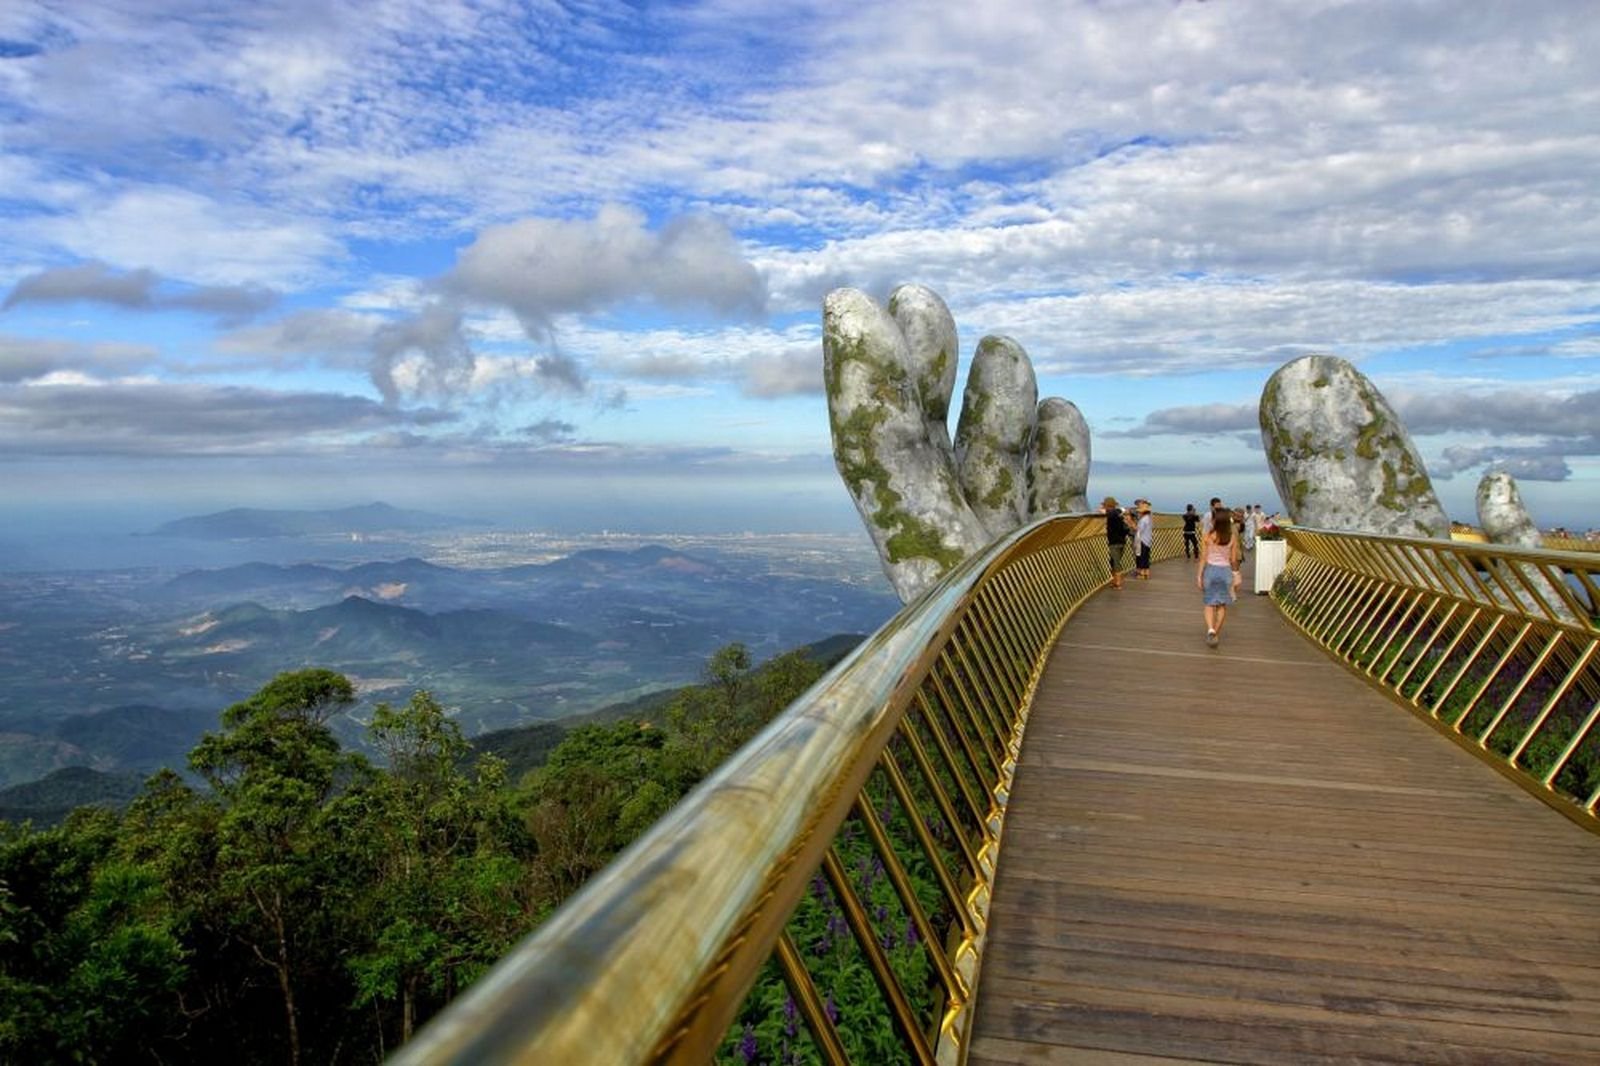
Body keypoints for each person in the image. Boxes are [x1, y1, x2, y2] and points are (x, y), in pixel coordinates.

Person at [1197, 506, 1241, 647]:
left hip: (1210, 571)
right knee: (1221, 605)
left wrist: (1199, 575)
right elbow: (1233, 560)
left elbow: (1203, 558)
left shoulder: (1208, 536)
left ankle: (1210, 629)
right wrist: (1236, 575)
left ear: (1215, 521)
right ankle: (1215, 632)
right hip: (1225, 572)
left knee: (1209, 603)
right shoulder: (1232, 538)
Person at [1102, 496, 1130, 590]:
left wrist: (1103, 511)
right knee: (1113, 561)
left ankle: (1118, 583)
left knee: (1115, 562)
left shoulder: (1112, 514)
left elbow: (1110, 513)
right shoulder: (1119, 514)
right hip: (1122, 541)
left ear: (1107, 506)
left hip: (1115, 542)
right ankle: (1115, 581)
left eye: (1105, 505)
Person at [1134, 500, 1154, 579]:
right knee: (1146, 557)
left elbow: (1139, 530)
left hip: (1142, 540)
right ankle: (1146, 573)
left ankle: (1142, 574)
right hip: (1148, 540)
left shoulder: (1143, 519)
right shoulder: (1149, 518)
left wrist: (1131, 524)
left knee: (1142, 557)